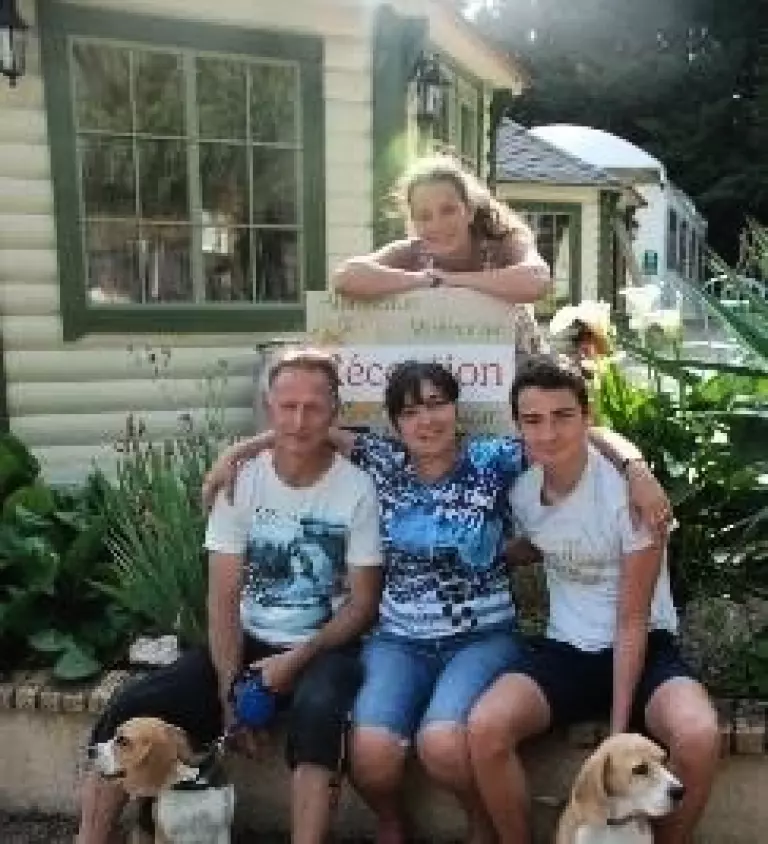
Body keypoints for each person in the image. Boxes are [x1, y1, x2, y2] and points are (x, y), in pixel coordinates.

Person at [203, 360, 672, 844]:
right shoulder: (382, 460)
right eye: (410, 412)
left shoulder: (492, 459)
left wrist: (635, 470)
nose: (426, 420)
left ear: (454, 409)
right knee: (371, 753)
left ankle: (482, 826)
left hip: (481, 636)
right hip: (399, 640)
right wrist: (236, 453)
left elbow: (578, 433)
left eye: (436, 404)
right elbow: (303, 431)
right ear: (395, 423)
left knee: (443, 744)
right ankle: (391, 820)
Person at [76, 349, 383, 844]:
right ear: (268, 408)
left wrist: (295, 660)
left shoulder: (357, 489)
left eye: (313, 407)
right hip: (250, 637)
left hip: (325, 646)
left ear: (335, 412)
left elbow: (363, 605)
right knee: (133, 704)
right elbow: (223, 598)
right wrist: (228, 695)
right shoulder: (242, 480)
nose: (299, 421)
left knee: (319, 718)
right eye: (287, 406)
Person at [467, 356, 719, 844]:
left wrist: (618, 735)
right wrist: (494, 556)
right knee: (485, 727)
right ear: (518, 426)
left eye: (563, 416)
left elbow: (631, 620)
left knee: (699, 735)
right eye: (533, 420)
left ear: (587, 416)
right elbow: (549, 538)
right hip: (567, 651)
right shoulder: (522, 491)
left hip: (644, 647)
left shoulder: (631, 498)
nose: (548, 433)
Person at [332, 156, 551, 355]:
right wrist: (424, 280)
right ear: (413, 223)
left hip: (520, 367)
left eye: (448, 210)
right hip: (442, 373)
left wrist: (452, 280)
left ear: (469, 211)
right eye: (424, 216)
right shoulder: (411, 252)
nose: (437, 224)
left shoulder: (504, 240)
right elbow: (345, 277)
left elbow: (537, 280)